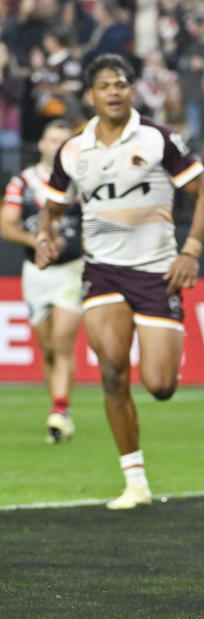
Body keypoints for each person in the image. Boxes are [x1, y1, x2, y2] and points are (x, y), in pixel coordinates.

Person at [34, 53, 204, 510]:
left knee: (159, 386)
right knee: (113, 371)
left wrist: (190, 250)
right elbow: (53, 207)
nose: (114, 91)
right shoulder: (74, 150)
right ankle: (134, 481)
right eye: (105, 85)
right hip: (102, 273)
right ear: (91, 95)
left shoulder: (157, 139)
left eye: (121, 83)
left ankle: (166, 356)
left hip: (157, 272)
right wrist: (44, 235)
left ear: (132, 91)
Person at [0, 119, 83, 443]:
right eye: (52, 140)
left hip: (71, 270)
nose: (57, 146)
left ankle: (60, 410)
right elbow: (7, 225)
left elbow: (94, 224)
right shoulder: (23, 182)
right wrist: (36, 242)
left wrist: (71, 244)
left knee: (62, 342)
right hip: (35, 273)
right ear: (42, 144)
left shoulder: (81, 182)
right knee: (48, 348)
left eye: (64, 141)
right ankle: (60, 410)